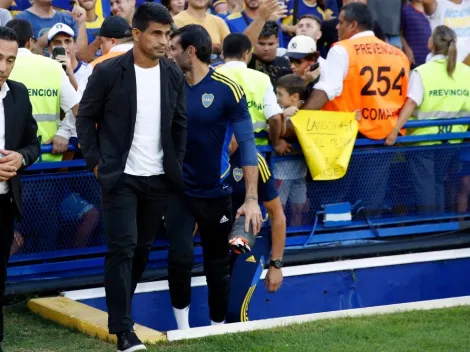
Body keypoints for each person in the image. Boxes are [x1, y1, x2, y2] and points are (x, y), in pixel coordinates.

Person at [77, 3, 186, 351]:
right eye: (156, 33)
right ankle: (123, 330)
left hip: (158, 177)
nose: (163, 41)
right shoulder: (109, 72)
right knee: (122, 249)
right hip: (120, 176)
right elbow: (85, 117)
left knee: (141, 251)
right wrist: (96, 161)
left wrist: (175, 165)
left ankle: (122, 309)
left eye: (167, 34)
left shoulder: (172, 73)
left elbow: (179, 124)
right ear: (137, 34)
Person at [168, 24, 262, 330]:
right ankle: (182, 331)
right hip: (179, 191)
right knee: (180, 260)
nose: (168, 53)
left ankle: (216, 329)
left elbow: (247, 143)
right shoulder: (168, 84)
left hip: (216, 191)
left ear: (190, 51)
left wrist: (250, 199)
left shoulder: (227, 88)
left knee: (217, 266)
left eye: (173, 48)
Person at [304, 2, 409, 215]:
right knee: (373, 201)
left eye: (340, 23)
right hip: (384, 136)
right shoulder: (399, 54)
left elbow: (328, 89)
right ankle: (371, 246)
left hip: (347, 138)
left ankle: (338, 244)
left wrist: (301, 117)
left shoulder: (342, 49)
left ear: (353, 25)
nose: (336, 27)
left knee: (336, 200)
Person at [385, 25, 470, 213]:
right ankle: (439, 224)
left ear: (430, 43)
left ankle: (430, 225)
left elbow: (411, 103)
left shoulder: (422, 72)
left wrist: (393, 131)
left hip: (422, 140)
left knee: (425, 184)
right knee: (438, 182)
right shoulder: (466, 72)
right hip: (452, 140)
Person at [0, 26, 40, 352]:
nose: (3, 66)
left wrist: (21, 157)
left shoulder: (19, 93)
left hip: (4, 204)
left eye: (10, 59)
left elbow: (33, 144)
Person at [226, 147, 285, 323]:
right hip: (221, 238)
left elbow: (277, 215)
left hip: (253, 238)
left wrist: (276, 265)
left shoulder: (255, 160)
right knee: (220, 307)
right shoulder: (211, 153)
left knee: (237, 310)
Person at [217, 33, 284, 153]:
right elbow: (275, 117)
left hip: (220, 148)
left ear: (222, 53)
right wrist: (276, 143)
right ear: (246, 54)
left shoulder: (212, 75)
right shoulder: (262, 78)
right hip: (256, 149)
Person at [15, 0, 88, 56]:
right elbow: (20, 56)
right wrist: (42, 42)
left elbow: (82, 56)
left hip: (65, 72)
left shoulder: (68, 18)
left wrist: (81, 23)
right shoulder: (21, 19)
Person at [48, 22, 94, 91]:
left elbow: (85, 101)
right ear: (50, 49)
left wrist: (70, 73)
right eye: (57, 43)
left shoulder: (88, 71)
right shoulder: (46, 72)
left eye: (67, 41)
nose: (63, 46)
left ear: (75, 46)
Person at [247, 21, 292, 87]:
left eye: (270, 44)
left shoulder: (286, 63)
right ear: (254, 42)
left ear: (277, 42)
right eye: (261, 44)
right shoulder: (247, 62)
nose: (266, 48)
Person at [401, 0, 432, 68]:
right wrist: (407, 49)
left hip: (430, 61)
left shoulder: (432, 12)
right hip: (414, 60)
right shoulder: (406, 10)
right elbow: (399, 32)